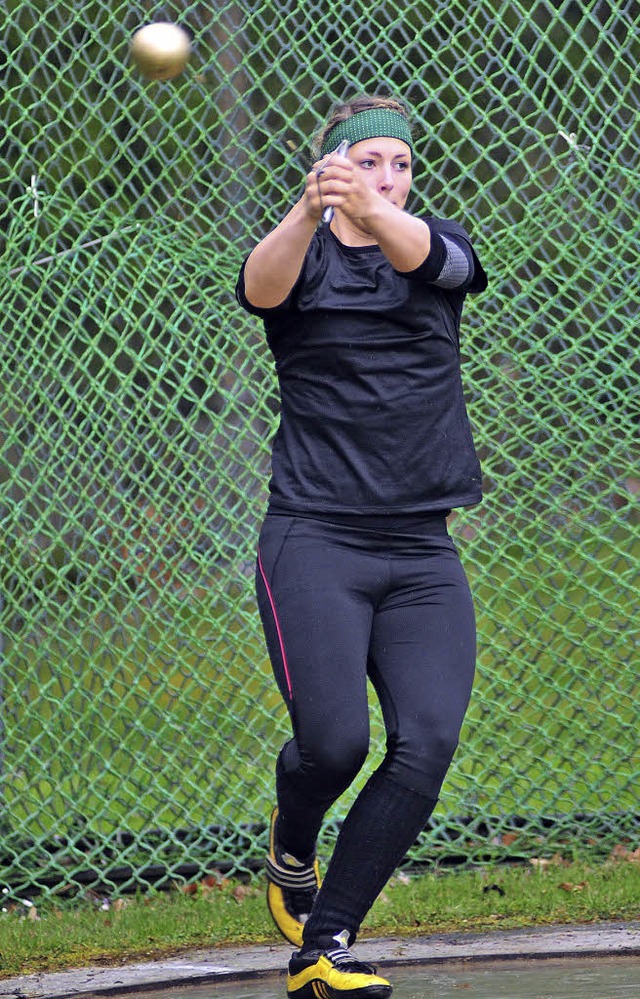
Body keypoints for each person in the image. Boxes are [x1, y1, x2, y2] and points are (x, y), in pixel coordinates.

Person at [235, 93, 488, 999]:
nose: (390, 176)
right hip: (314, 539)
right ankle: (292, 845)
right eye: (369, 160)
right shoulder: (298, 257)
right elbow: (258, 286)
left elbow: (440, 259)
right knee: (333, 745)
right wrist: (311, 209)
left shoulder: (433, 249)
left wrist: (372, 206)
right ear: (331, 167)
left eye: (402, 162)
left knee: (426, 741)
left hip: (423, 550)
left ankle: (325, 946)